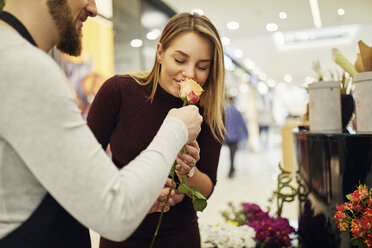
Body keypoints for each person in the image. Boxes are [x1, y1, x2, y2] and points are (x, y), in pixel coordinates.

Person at [0, 1, 203, 247]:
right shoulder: (25, 68)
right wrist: (176, 128)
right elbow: (117, 212)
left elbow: (74, 188)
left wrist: (140, 190)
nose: (94, 8)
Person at [87, 12, 226, 248]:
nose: (190, 74)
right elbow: (85, 163)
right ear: (160, 52)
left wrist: (188, 171)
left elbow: (207, 190)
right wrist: (128, 184)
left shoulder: (209, 110)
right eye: (180, 60)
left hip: (180, 236)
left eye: (202, 66)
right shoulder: (119, 91)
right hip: (123, 235)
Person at [224, 96, 248, 178]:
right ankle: (231, 170)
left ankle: (232, 168)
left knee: (231, 153)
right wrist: (247, 134)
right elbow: (243, 124)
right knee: (232, 154)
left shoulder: (225, 111)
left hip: (227, 137)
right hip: (235, 137)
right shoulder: (237, 112)